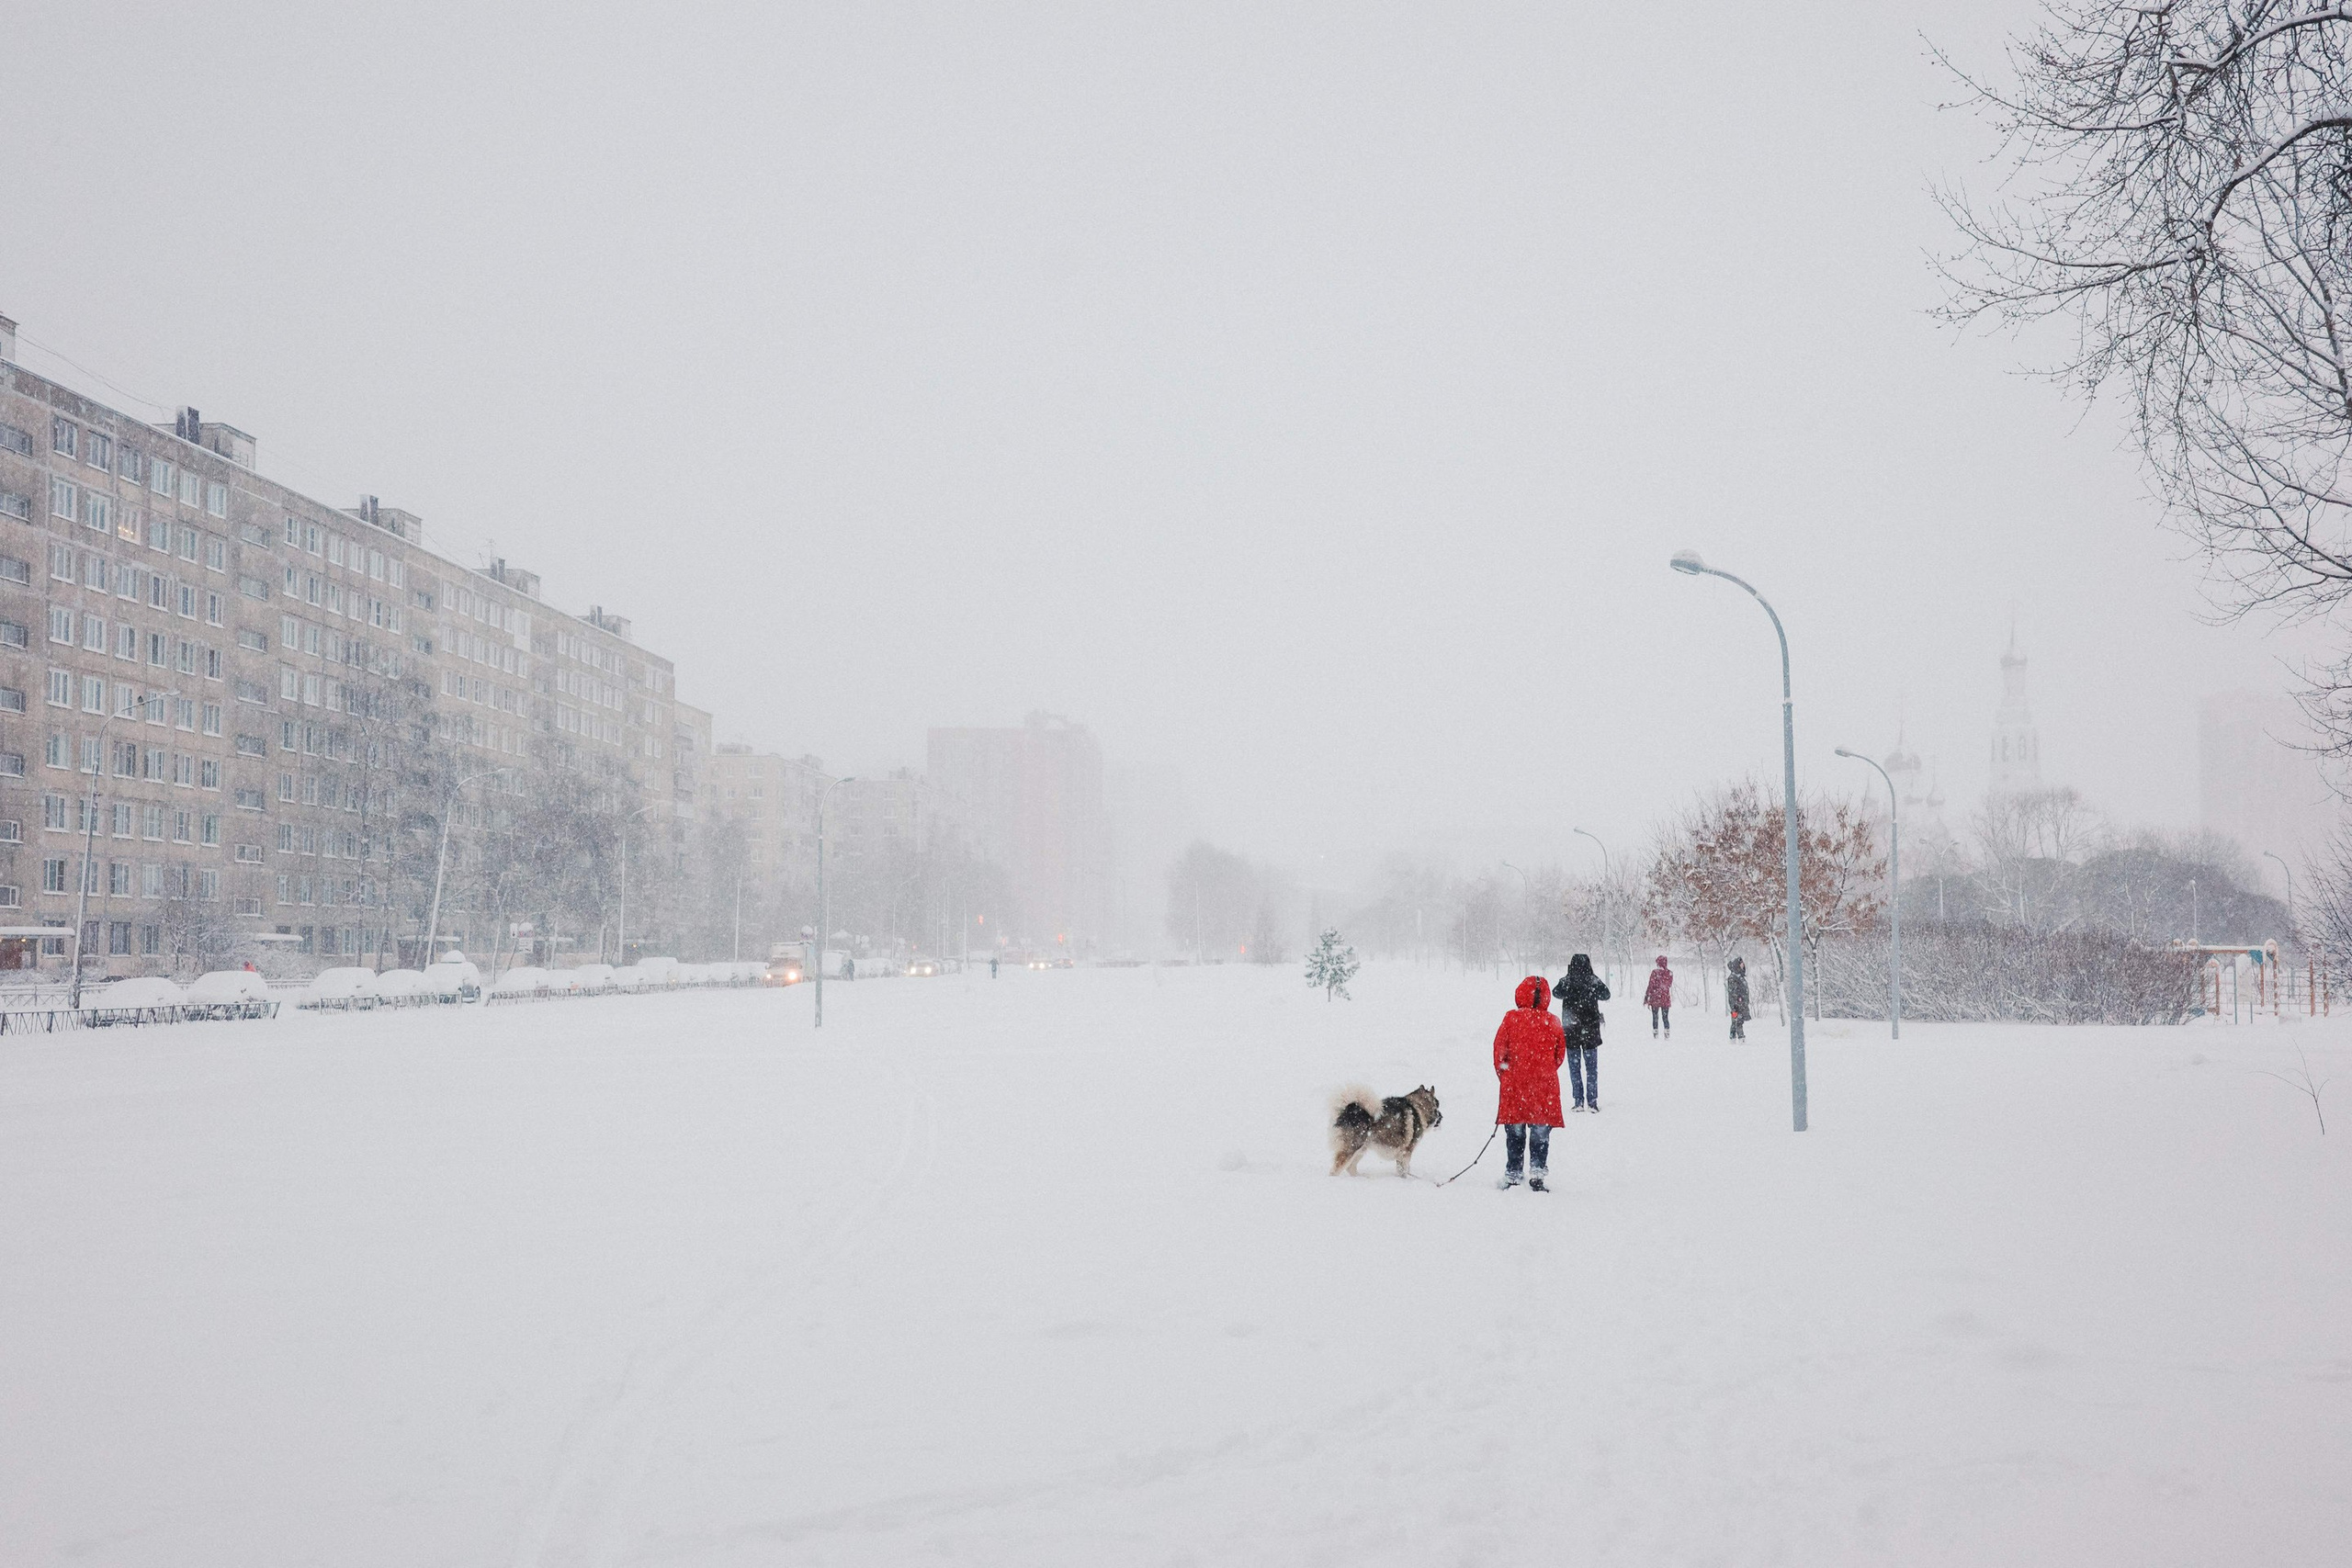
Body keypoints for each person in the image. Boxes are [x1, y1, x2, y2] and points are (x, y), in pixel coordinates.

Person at [1492, 974, 1566, 1190]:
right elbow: (1559, 1055)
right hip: (1544, 1088)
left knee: (1515, 1132)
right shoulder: (1552, 1021)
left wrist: (1506, 1075)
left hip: (1515, 1086)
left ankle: (1514, 1173)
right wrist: (1544, 1072)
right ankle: (1537, 1174)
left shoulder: (1511, 1018)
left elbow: (1499, 1053)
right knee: (1540, 1133)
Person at [1553, 953, 1610, 1111]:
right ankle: (1592, 1102)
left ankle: (1578, 1101)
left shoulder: (1567, 981)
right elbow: (1606, 995)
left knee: (1574, 1066)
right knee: (1591, 1068)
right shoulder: (1593, 981)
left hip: (1571, 1030)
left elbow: (1555, 993)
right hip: (1590, 1030)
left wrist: (1569, 979)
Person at [1644, 955, 1674, 1038]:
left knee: (1655, 1017)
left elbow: (1651, 985)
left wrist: (1647, 996)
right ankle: (1667, 1033)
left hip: (1655, 998)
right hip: (1665, 998)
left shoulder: (1655, 972)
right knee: (1665, 1017)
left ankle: (1655, 1034)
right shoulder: (1670, 973)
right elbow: (1669, 985)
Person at [1725, 955, 1751, 1042]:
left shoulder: (1740, 976)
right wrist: (1737, 1001)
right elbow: (1733, 992)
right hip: (1736, 1004)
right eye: (1741, 964)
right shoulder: (1733, 977)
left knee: (1736, 1020)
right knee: (1737, 1020)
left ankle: (1733, 1037)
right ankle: (1740, 1037)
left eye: (1743, 964)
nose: (1742, 966)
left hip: (1741, 1003)